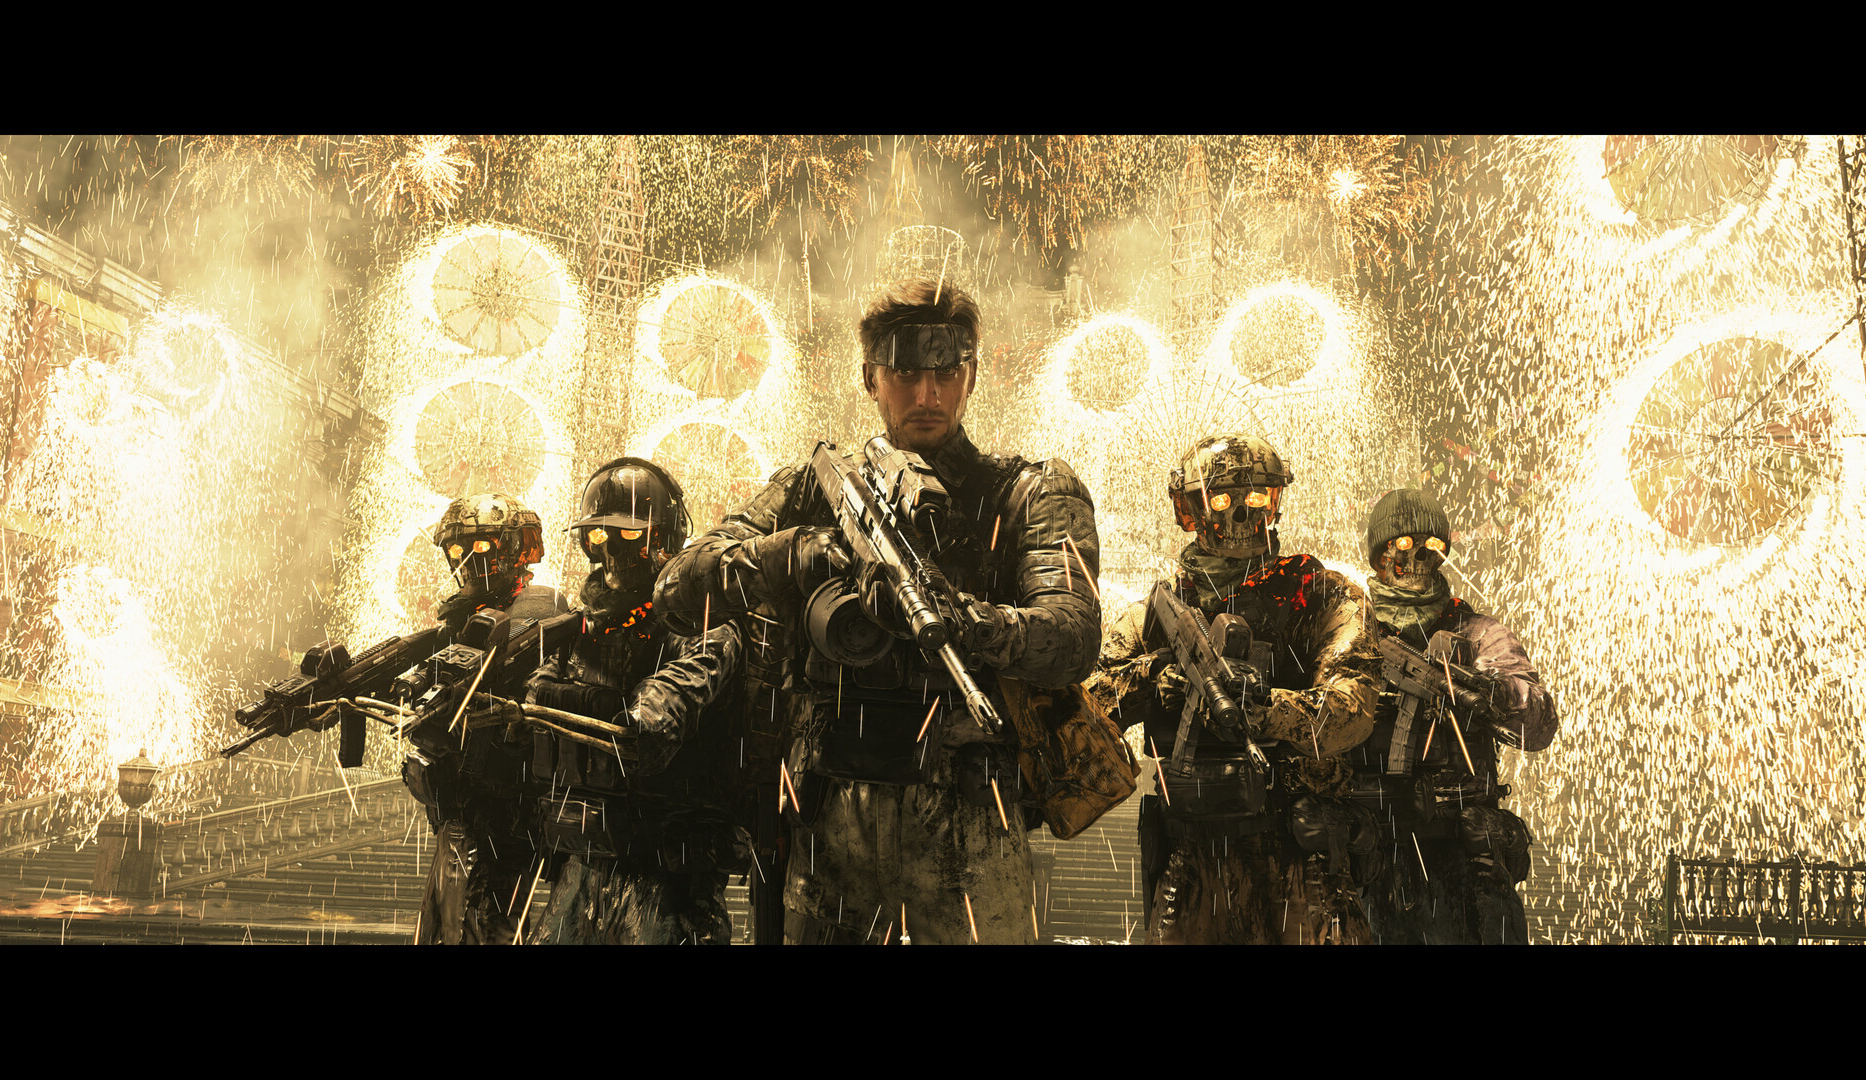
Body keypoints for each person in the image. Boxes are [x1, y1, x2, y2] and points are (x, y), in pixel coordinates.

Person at [654, 276, 1103, 944]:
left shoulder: (1025, 493)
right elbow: (677, 592)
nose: (926, 396)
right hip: (834, 817)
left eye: (945, 373)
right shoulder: (817, 490)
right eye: (905, 373)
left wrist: (967, 620)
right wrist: (789, 553)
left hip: (972, 819)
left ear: (972, 375)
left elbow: (1073, 637)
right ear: (870, 378)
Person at [1084, 433, 1382, 945]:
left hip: (1298, 852)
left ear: (1276, 501)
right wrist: (1152, 678)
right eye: (1222, 499)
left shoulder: (1320, 596)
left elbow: (1352, 710)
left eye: (1258, 497)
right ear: (1189, 509)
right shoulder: (1159, 613)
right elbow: (1087, 705)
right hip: (1193, 853)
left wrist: (1265, 708)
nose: (1243, 513)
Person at [500, 457, 749, 944]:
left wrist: (644, 714)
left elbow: (683, 685)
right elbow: (540, 689)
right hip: (587, 860)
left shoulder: (701, 620)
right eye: (598, 535)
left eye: (629, 534)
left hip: (670, 872)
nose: (611, 549)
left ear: (663, 538)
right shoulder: (582, 626)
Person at [1349, 488, 1557, 944]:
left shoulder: (1479, 633)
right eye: (1404, 545)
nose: (1419, 558)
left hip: (1459, 850)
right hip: (1372, 848)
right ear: (1379, 556)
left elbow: (1538, 723)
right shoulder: (1350, 629)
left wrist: (1490, 689)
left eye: (1433, 546)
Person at [404, 493, 568, 945]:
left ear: (512, 549)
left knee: (490, 929)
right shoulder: (462, 618)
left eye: (481, 547)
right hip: (462, 811)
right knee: (444, 928)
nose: (468, 560)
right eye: (458, 549)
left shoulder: (538, 610)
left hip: (507, 814)